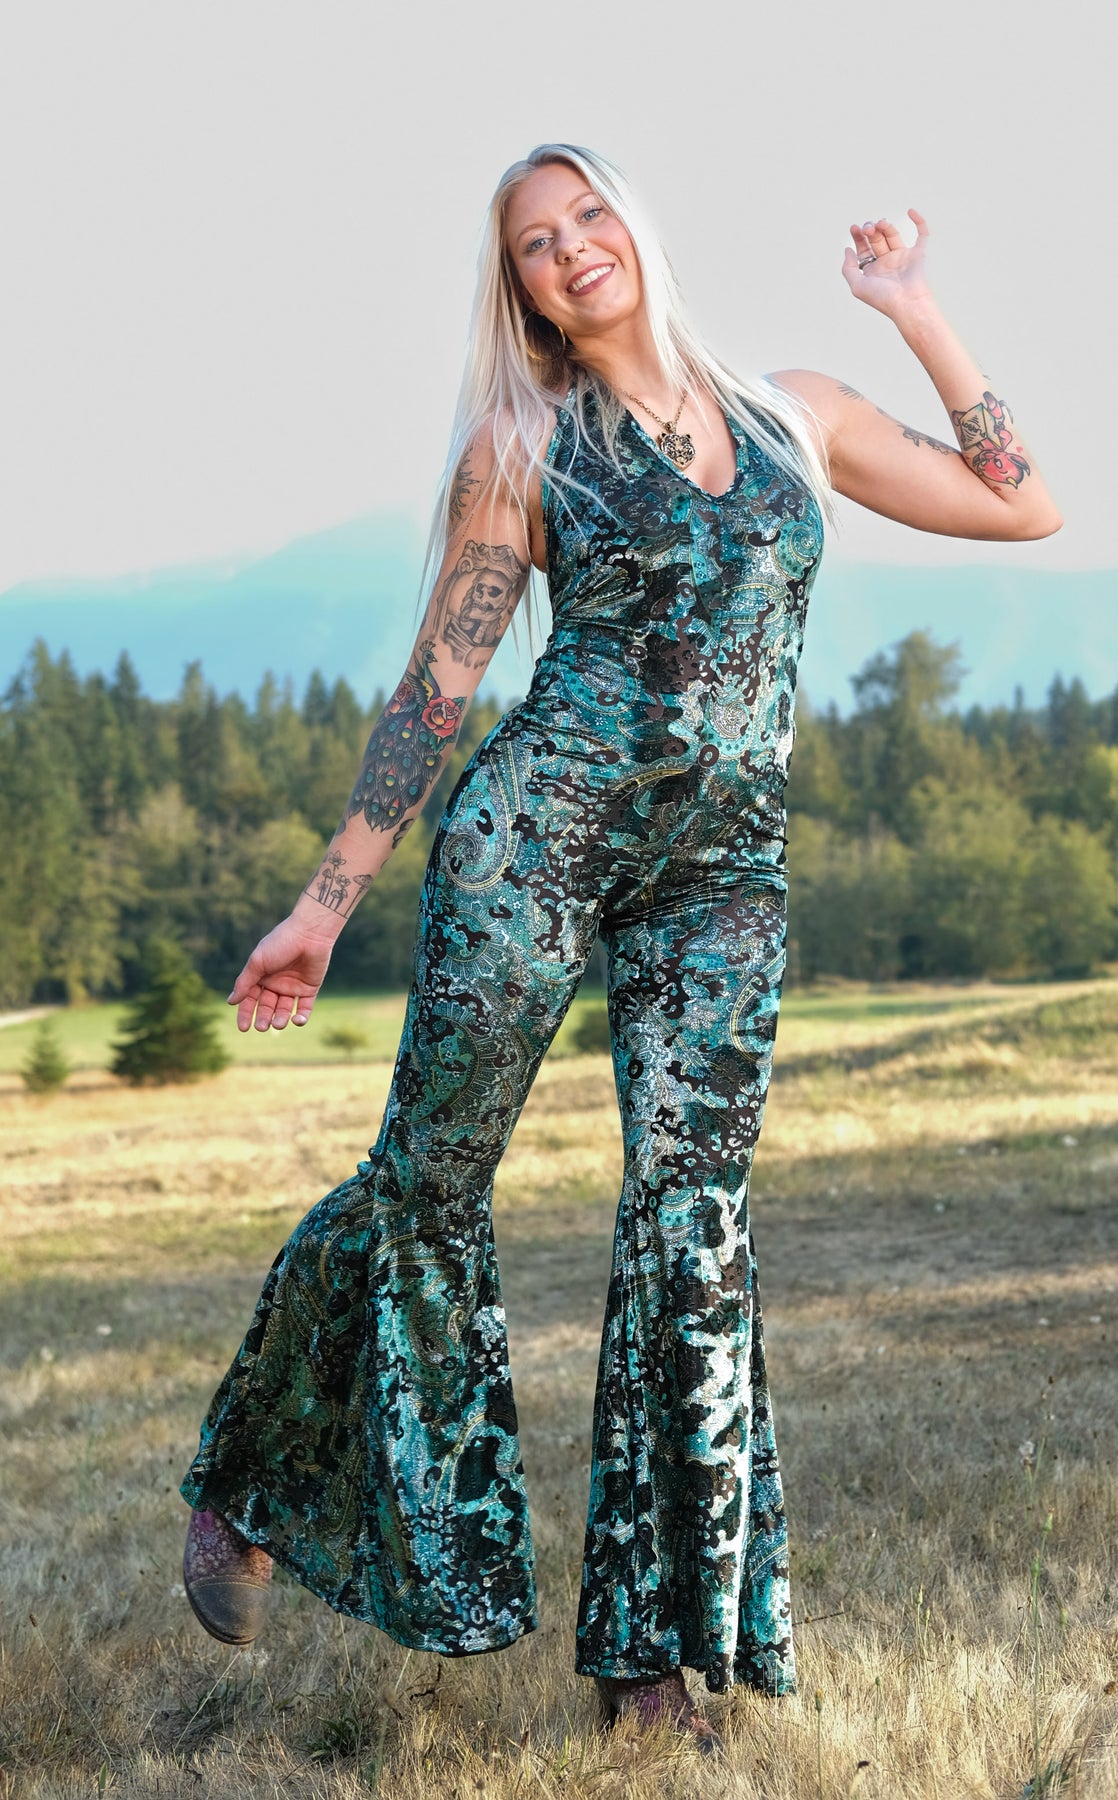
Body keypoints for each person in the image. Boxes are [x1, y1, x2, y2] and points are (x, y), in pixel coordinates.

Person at [180, 143, 1061, 1756]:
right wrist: (322, 904)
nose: (571, 246)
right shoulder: (521, 444)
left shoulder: (794, 414)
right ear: (519, 291)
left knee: (691, 1224)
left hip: (721, 877)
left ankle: (649, 1667)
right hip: (539, 836)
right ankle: (251, 1477)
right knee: (430, 1179)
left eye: (587, 213)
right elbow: (438, 688)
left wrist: (914, 308)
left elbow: (1024, 505)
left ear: (635, 226)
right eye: (535, 241)